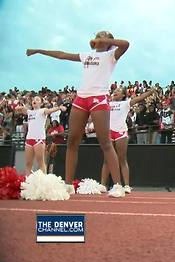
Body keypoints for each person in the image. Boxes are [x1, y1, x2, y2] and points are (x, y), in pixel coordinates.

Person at [26, 30, 130, 197]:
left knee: (105, 143)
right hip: (81, 98)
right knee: (72, 141)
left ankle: (117, 185)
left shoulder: (112, 55)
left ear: (108, 41)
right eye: (98, 34)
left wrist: (102, 40)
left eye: (103, 35)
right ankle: (68, 185)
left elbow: (126, 44)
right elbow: (62, 55)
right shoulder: (87, 55)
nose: (99, 35)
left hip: (99, 98)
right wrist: (39, 50)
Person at [101, 87, 156, 194]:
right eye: (115, 91)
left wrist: (150, 91)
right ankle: (103, 185)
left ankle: (126, 185)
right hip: (109, 132)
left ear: (123, 95)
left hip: (121, 132)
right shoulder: (107, 103)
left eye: (119, 91)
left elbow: (139, 98)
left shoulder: (125, 103)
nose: (116, 92)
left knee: (122, 159)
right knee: (107, 160)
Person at [15, 96, 66, 175]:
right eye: (34, 99)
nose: (34, 100)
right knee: (28, 163)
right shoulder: (29, 112)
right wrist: (19, 107)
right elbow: (18, 110)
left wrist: (59, 107)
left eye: (37, 99)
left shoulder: (43, 110)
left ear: (41, 103)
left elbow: (49, 110)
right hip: (29, 140)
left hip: (39, 139)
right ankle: (27, 181)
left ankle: (43, 182)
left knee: (41, 163)